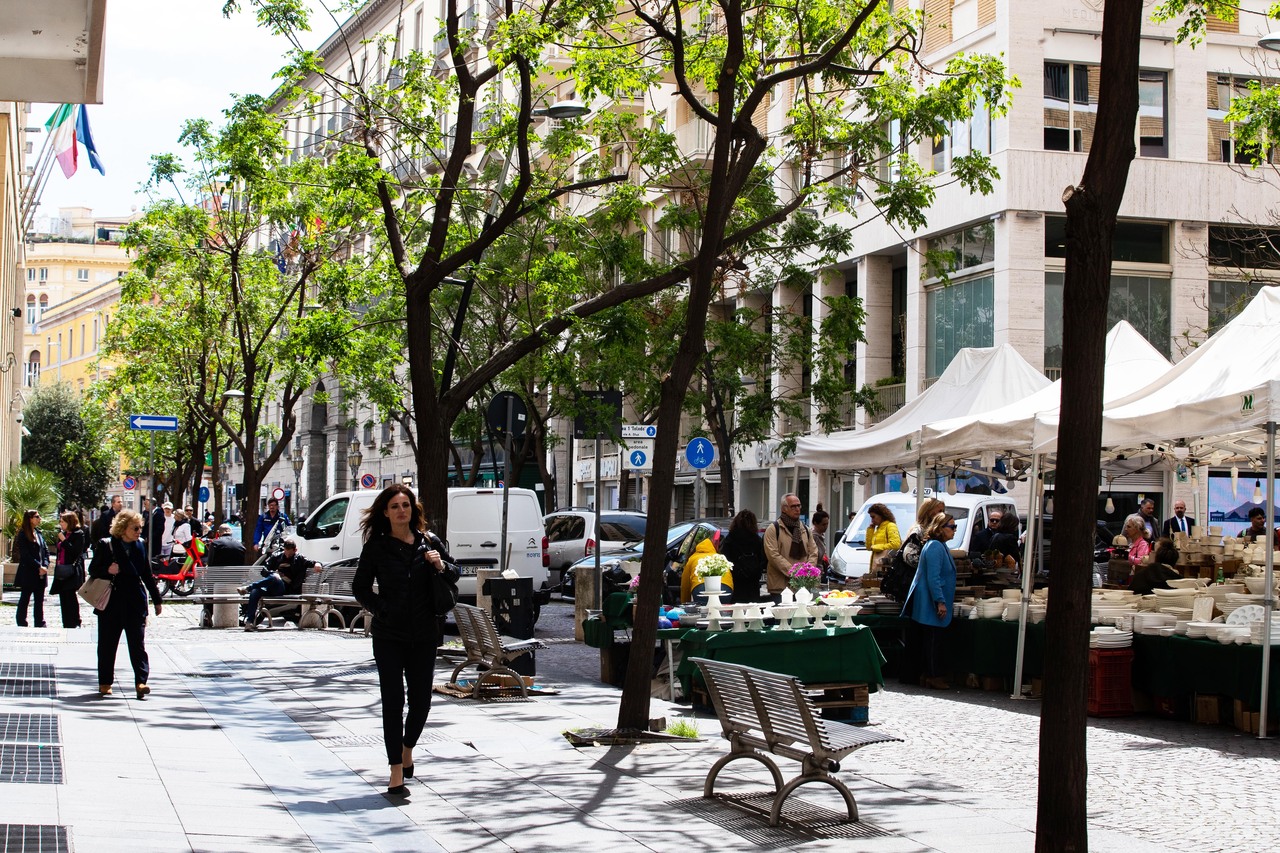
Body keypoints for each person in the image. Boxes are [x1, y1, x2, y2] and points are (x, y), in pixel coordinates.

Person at [352, 484, 459, 798]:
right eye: (395, 506)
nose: (401, 511)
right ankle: (395, 770)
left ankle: (408, 747)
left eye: (406, 505)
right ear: (385, 512)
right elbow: (360, 588)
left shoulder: (429, 542)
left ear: (413, 510)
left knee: (422, 702)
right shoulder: (377, 546)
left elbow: (456, 572)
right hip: (389, 635)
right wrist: (382, 609)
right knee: (393, 702)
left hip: (425, 633)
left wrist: (440, 564)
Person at [87, 509, 163, 698]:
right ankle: (105, 682)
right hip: (111, 602)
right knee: (107, 644)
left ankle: (141, 682)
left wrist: (156, 599)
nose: (139, 531)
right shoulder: (106, 545)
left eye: (140, 527)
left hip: (134, 601)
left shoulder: (140, 545)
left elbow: (146, 573)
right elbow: (93, 569)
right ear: (123, 528)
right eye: (135, 528)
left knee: (137, 644)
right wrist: (108, 569)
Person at [902, 512, 958, 690]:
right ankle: (933, 675)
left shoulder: (937, 545)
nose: (954, 530)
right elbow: (934, 578)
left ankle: (929, 674)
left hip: (929, 601)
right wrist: (940, 601)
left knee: (931, 639)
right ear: (940, 528)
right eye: (952, 527)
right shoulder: (935, 546)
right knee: (933, 640)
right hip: (930, 603)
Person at [238, 538, 323, 630]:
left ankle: (248, 588)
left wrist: (318, 564)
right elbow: (264, 570)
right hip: (271, 586)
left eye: (290, 552)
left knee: (275, 578)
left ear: (295, 550)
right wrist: (273, 573)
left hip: (285, 589)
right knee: (255, 591)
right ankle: (249, 622)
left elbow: (313, 562)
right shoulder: (277, 556)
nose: (287, 554)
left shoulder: (299, 558)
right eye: (286, 551)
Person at [763, 494, 819, 598]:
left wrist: (806, 572)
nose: (797, 509)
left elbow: (813, 552)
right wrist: (795, 572)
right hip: (780, 588)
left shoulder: (805, 529)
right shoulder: (774, 529)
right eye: (793, 506)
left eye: (799, 506)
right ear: (784, 509)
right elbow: (773, 555)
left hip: (802, 587)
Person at [50, 511, 89, 628]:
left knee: (70, 596)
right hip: (61, 569)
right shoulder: (63, 534)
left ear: (69, 522)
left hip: (71, 570)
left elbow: (75, 552)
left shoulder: (79, 534)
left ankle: (75, 621)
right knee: (63, 596)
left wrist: (64, 541)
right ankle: (66, 622)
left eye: (62, 521)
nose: (60, 524)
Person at [719, 510, 766, 602]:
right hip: (753, 584)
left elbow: (725, 560)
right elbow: (763, 560)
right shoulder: (757, 540)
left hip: (736, 583)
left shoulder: (730, 539)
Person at [13, 509, 50, 628]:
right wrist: (38, 566)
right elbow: (25, 555)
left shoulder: (39, 533)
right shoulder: (23, 534)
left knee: (39, 600)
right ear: (30, 519)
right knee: (25, 598)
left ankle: (40, 622)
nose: (39, 519)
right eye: (37, 517)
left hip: (41, 572)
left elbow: (45, 551)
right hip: (29, 572)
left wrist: (45, 565)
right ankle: (21, 621)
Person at [680, 531, 734, 603]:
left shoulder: (692, 559)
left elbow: (685, 586)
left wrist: (684, 603)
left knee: (704, 612)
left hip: (700, 588)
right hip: (726, 588)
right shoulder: (720, 557)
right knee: (721, 611)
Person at [864, 503, 901, 569]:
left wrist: (878, 547)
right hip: (876, 565)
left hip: (885, 566)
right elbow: (869, 547)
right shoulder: (878, 528)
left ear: (881, 515)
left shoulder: (890, 526)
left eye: (873, 517)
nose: (872, 520)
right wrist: (870, 530)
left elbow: (896, 544)